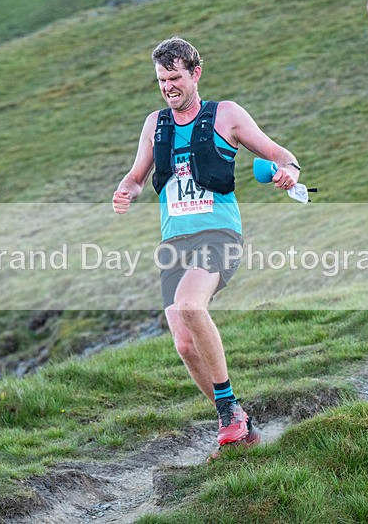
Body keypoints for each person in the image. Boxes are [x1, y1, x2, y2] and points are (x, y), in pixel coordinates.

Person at [112, 37, 301, 455]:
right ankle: (237, 422)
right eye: (162, 80)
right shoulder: (154, 124)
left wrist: (289, 170)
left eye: (175, 78)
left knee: (190, 305)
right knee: (183, 343)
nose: (168, 87)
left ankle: (230, 412)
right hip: (173, 243)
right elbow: (137, 177)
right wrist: (125, 191)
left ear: (195, 73)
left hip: (219, 235)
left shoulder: (226, 115)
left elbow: (279, 153)